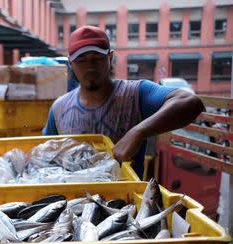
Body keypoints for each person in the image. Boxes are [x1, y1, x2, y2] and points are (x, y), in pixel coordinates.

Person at [43, 25, 204, 177]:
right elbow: (46, 156)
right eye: (82, 60)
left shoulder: (135, 94)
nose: (90, 66)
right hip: (73, 201)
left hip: (125, 202)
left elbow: (191, 102)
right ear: (71, 62)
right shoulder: (59, 108)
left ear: (110, 57)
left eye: (97, 57)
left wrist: (138, 132)